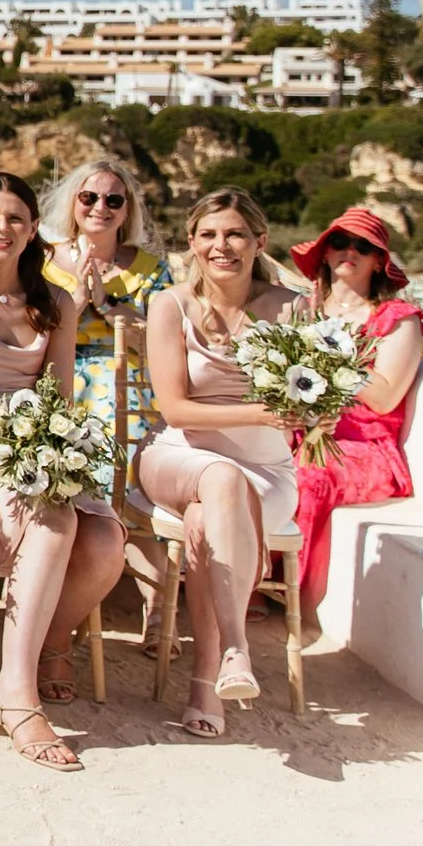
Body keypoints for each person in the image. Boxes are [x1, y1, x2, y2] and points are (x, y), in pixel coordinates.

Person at [0, 171, 125, 771]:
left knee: (105, 539)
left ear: (34, 228)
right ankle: (15, 691)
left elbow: (59, 396)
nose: (2, 228)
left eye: (15, 218)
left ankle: (50, 639)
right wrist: (15, 432)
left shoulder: (56, 302)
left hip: (37, 434)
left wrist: (43, 438)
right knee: (54, 519)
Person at [135, 187, 300, 738]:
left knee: (209, 517)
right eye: (208, 234)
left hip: (266, 474)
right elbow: (175, 408)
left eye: (234, 234)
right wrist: (262, 412)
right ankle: (235, 647)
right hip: (180, 456)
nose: (220, 245)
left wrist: (314, 413)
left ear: (259, 241)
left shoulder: (292, 309)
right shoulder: (170, 304)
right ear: (192, 241)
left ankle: (208, 681)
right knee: (220, 478)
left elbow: (311, 392)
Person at [285, 207, 423, 634]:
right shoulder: (302, 310)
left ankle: (292, 595)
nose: (349, 251)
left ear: (379, 261)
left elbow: (384, 398)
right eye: (339, 242)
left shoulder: (396, 320)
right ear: (325, 253)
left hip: (365, 447)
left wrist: (337, 350)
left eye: (362, 246)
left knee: (310, 475)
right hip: (300, 429)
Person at [38, 157, 169, 441]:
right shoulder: (40, 262)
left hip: (126, 382)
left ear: (127, 210)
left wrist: (105, 302)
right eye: (89, 197)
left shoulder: (151, 270)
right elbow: (31, 334)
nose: (100, 207)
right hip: (55, 374)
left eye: (113, 200)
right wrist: (79, 297)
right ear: (73, 201)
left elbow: (160, 344)